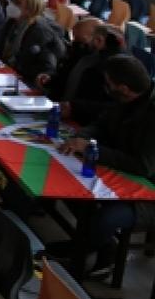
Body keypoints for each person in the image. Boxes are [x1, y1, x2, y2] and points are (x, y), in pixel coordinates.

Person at [55, 55, 155, 277]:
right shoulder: (124, 102)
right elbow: (100, 125)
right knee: (67, 189)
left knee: (107, 219)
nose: (105, 87)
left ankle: (81, 257)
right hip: (120, 171)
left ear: (124, 88)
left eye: (109, 84)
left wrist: (93, 149)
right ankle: (102, 247)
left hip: (147, 193)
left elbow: (142, 166)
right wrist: (82, 138)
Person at [41, 23, 127, 126]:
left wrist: (75, 107)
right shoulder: (82, 52)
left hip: (83, 122)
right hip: (60, 112)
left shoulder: (113, 68)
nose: (74, 43)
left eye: (80, 40)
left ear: (98, 40)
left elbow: (112, 106)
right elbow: (65, 76)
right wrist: (50, 79)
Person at [0, 0, 66, 84]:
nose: (11, 4)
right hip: (7, 70)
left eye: (17, 3)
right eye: (12, 0)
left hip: (26, 79)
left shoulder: (40, 32)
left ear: (29, 10)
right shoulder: (12, 22)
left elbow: (46, 67)